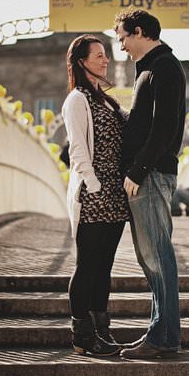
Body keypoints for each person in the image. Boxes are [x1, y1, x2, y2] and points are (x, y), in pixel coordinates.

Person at [114, 9, 186, 359]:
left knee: (157, 256)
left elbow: (165, 127)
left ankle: (164, 338)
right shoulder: (150, 68)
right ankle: (163, 334)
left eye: (123, 37)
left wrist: (137, 171)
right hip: (149, 173)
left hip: (152, 174)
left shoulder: (165, 67)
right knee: (151, 257)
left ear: (139, 31)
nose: (121, 45)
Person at [62, 34, 130, 357]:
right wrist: (93, 185)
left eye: (106, 54)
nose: (105, 60)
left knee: (104, 267)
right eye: (99, 55)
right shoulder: (77, 100)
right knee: (87, 265)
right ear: (82, 61)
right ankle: (82, 336)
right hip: (94, 194)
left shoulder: (105, 99)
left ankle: (102, 332)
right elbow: (77, 148)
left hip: (115, 196)